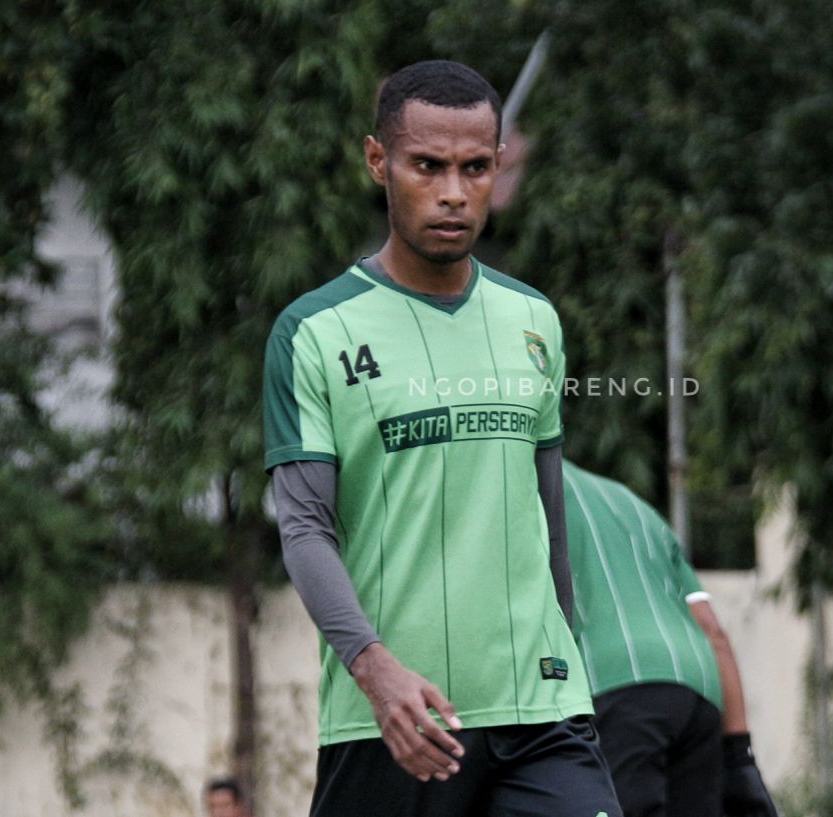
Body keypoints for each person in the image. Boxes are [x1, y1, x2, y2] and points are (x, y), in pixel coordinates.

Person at [263, 60, 620, 817]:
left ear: (499, 167)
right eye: (428, 166)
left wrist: (574, 665)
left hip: (541, 707)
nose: (454, 192)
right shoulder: (313, 332)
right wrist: (375, 668)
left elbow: (546, 516)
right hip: (396, 721)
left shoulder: (536, 321)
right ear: (377, 161)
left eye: (475, 168)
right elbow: (303, 527)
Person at [561, 460, 778, 817]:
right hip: (698, 686)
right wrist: (740, 754)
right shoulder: (630, 503)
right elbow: (713, 630)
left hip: (614, 681)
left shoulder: (526, 489)